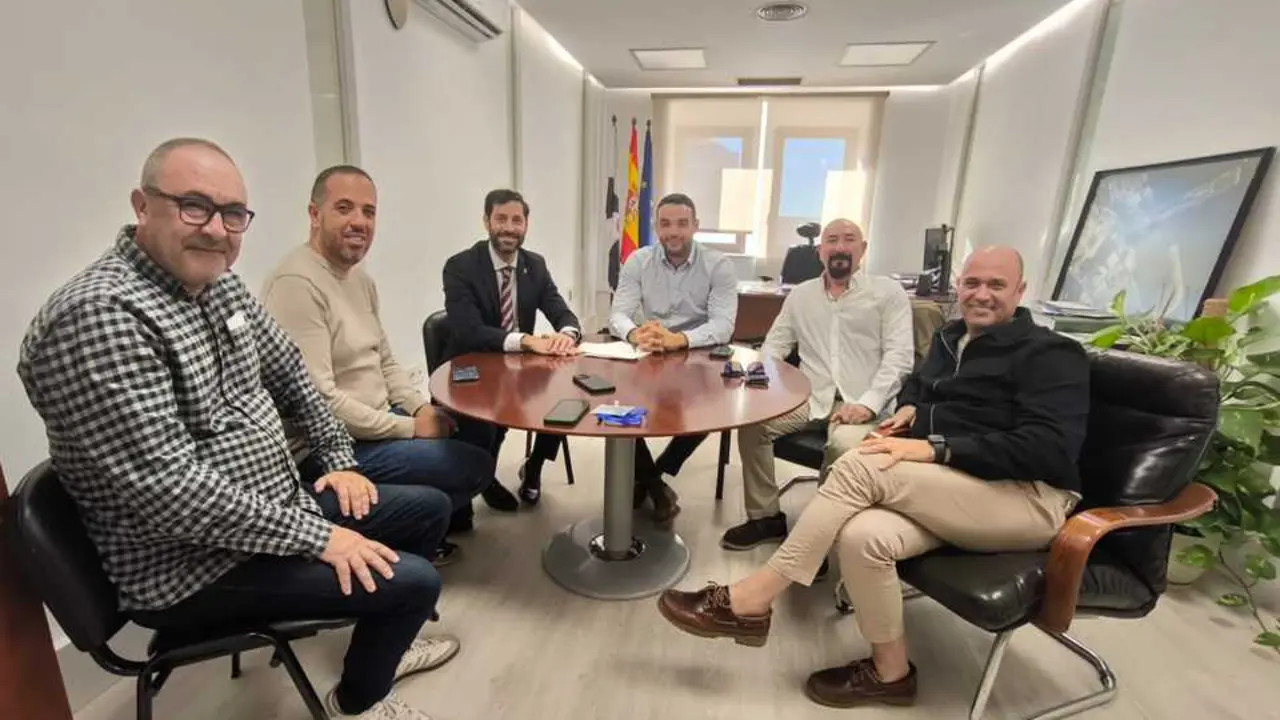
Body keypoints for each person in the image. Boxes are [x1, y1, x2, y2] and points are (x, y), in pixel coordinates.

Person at [18, 138, 455, 720]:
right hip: (190, 566)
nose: (217, 230)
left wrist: (337, 458)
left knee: (428, 509)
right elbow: (173, 493)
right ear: (142, 206)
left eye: (233, 214)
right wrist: (323, 539)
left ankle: (378, 646)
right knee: (417, 581)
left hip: (274, 511)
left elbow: (295, 377)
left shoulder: (219, 284)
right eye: (193, 206)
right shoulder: (100, 317)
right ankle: (357, 701)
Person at [656, 246, 1088, 710]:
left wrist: (933, 447)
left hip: (1028, 499)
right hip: (962, 486)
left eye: (996, 286)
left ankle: (751, 599)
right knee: (863, 537)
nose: (981, 295)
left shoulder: (1052, 354)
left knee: (862, 462)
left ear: (1021, 291)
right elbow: (924, 390)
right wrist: (910, 412)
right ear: (959, 286)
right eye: (972, 283)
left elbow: (1048, 447)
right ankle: (892, 674)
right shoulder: (951, 338)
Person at [261, 165, 495, 554]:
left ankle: (406, 518)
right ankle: (393, 529)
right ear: (314, 215)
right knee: (470, 467)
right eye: (344, 208)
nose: (359, 222)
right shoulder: (296, 285)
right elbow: (319, 402)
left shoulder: (360, 279)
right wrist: (410, 429)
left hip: (375, 422)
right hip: (331, 446)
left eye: (368, 212)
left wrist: (419, 407)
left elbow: (385, 362)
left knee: (473, 431)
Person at [721, 218, 914, 552]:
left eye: (849, 239)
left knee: (842, 447)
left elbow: (900, 358)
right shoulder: (801, 295)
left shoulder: (887, 293)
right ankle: (766, 517)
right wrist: (756, 378)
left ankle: (822, 537)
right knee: (753, 427)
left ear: (863, 249)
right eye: (832, 240)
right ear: (820, 251)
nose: (840, 247)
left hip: (866, 404)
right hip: (811, 398)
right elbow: (775, 346)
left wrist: (867, 404)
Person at [441, 189, 582, 507]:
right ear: (486, 221)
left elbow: (559, 308)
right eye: (500, 219)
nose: (509, 227)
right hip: (472, 366)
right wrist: (527, 341)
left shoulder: (535, 264)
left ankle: (533, 468)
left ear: (526, 225)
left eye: (516, 220)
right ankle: (480, 482)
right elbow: (469, 331)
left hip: (518, 369)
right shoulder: (460, 267)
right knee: (484, 427)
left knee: (565, 402)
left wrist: (568, 334)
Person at [609, 192, 738, 524]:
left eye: (682, 223)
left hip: (697, 356)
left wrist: (679, 339)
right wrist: (636, 334)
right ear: (656, 226)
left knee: (709, 412)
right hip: (650, 352)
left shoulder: (718, 265)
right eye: (665, 224)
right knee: (621, 409)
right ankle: (654, 485)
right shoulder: (638, 260)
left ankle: (651, 477)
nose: (673, 232)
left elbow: (723, 325)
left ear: (696, 225)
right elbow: (618, 315)